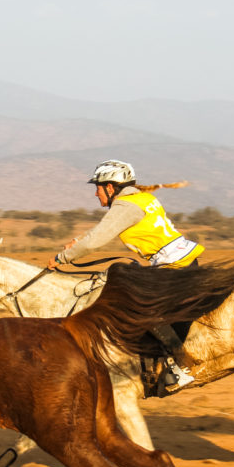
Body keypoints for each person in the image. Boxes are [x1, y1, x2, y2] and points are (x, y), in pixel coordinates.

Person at [47, 159, 202, 387]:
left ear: (110, 187)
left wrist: (63, 258)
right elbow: (101, 229)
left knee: (135, 307)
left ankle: (178, 369)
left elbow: (96, 240)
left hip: (172, 266)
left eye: (97, 188)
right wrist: (78, 241)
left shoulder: (125, 206)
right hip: (183, 260)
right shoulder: (140, 199)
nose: (96, 194)